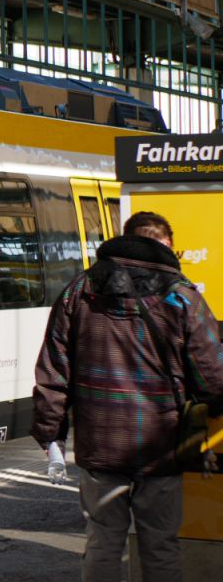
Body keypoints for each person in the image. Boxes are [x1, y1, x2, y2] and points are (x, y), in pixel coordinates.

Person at [32, 210, 223, 582]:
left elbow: (53, 370)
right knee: (161, 544)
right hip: (161, 443)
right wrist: (213, 405)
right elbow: (213, 374)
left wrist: (50, 434)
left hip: (99, 442)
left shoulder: (79, 291)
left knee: (103, 542)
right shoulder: (182, 297)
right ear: (164, 246)